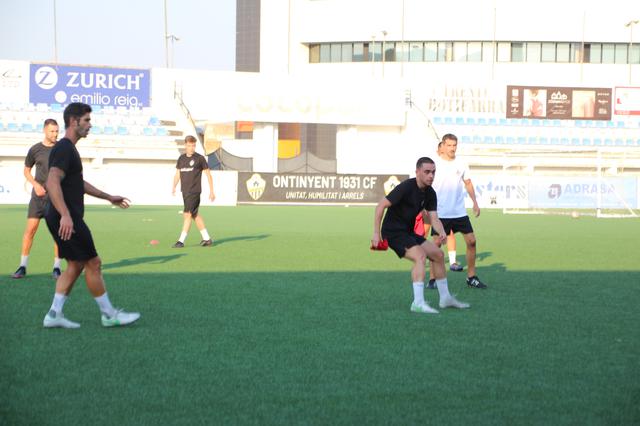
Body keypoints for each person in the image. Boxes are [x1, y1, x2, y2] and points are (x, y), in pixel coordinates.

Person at [42, 102, 140, 329]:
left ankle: (54, 314)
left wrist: (108, 196)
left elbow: (77, 182)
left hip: (59, 216)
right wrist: (65, 214)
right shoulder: (65, 148)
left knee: (76, 265)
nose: (90, 125)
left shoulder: (68, 150)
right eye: (86, 120)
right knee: (93, 263)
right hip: (66, 217)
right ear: (73, 121)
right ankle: (109, 315)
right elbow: (52, 180)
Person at [373, 156, 470, 314]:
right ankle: (417, 303)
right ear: (417, 172)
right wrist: (376, 234)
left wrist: (442, 231)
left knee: (438, 254)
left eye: (433, 172)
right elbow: (380, 206)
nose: (431, 175)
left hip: (408, 232)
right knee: (420, 256)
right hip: (393, 232)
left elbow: (434, 218)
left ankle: (445, 298)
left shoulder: (430, 193)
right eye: (427, 172)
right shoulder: (406, 187)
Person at [429, 134, 487, 289]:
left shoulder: (461, 163)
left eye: (454, 145)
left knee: (472, 241)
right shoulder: (435, 164)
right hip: (440, 213)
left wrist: (475, 202)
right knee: (435, 245)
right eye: (449, 145)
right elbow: (426, 184)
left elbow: (468, 183)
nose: (452, 148)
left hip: (459, 212)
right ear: (442, 146)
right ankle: (432, 279)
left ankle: (471, 277)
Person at [12, 119, 63, 279]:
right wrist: (35, 185)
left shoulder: (63, 149)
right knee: (30, 231)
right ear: (44, 131)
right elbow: (26, 171)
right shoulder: (35, 149)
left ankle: (56, 268)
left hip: (56, 197)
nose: (55, 134)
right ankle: (22, 266)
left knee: (58, 233)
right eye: (52, 131)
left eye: (56, 131)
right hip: (38, 197)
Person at [415, 141, 464, 276]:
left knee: (449, 233)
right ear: (440, 149)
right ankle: (418, 255)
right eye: (445, 146)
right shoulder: (433, 163)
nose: (449, 149)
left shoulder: (448, 164)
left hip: (444, 207)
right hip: (430, 204)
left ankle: (453, 262)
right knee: (424, 231)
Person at [171, 135, 215, 248]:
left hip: (194, 191)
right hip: (185, 191)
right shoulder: (181, 158)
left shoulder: (200, 158)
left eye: (193, 145)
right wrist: (174, 186)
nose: (191, 147)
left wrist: (212, 191)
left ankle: (181, 241)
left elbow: (208, 175)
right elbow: (177, 174)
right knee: (195, 215)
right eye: (189, 145)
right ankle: (207, 239)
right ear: (185, 145)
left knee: (187, 214)